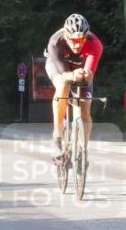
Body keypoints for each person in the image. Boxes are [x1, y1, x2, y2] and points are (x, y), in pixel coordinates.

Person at [45, 14, 104, 154]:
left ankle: (83, 150)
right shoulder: (55, 42)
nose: (77, 44)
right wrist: (72, 75)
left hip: (80, 68)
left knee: (85, 106)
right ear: (66, 36)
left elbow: (88, 76)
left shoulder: (95, 44)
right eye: (73, 40)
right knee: (63, 85)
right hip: (58, 66)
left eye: (81, 40)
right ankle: (57, 134)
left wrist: (85, 75)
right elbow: (64, 74)